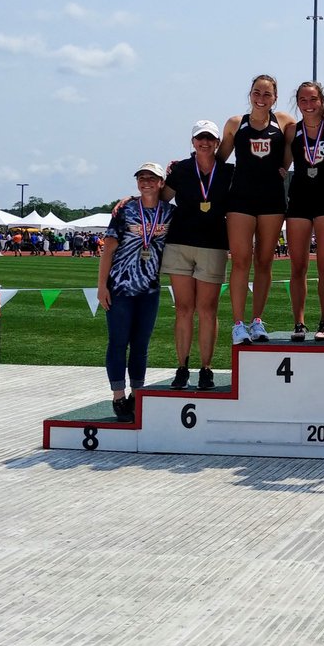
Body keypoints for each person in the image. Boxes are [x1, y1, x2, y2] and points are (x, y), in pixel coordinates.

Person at [219, 74, 296, 345]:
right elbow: (218, 160)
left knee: (265, 262)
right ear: (249, 94)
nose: (261, 98)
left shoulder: (285, 122)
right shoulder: (234, 124)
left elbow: (294, 148)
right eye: (256, 93)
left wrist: (285, 167)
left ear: (275, 97)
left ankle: (257, 321)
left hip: (272, 200)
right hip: (240, 199)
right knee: (240, 261)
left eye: (267, 94)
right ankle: (238, 324)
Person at [97, 162, 175, 422]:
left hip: (149, 289)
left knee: (141, 346)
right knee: (118, 343)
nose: (146, 182)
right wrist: (101, 287)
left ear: (161, 183)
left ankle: (137, 394)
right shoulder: (125, 210)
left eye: (152, 178)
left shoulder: (169, 213)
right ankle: (119, 397)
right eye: (142, 178)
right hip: (120, 287)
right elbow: (108, 249)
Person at [160, 119, 233, 390]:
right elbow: (162, 198)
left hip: (213, 245)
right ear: (193, 142)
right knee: (183, 309)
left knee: (207, 310)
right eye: (200, 138)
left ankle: (206, 368)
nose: (205, 143)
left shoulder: (227, 172)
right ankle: (181, 367)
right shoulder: (179, 169)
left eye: (210, 139)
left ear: (217, 142)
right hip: (179, 243)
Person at [285, 81, 324, 342]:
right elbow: (281, 163)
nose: (308, 105)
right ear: (297, 103)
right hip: (299, 200)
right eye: (303, 100)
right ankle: (299, 323)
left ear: (321, 101)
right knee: (298, 266)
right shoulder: (290, 131)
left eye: (313, 99)